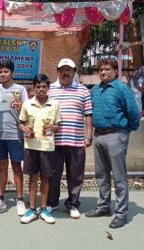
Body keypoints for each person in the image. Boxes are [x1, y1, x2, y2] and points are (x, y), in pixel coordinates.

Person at [86, 58, 140, 229]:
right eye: (100, 70)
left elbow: (133, 113)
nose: (103, 72)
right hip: (99, 135)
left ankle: (121, 214)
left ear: (116, 71)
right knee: (101, 175)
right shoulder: (95, 90)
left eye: (107, 69)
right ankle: (103, 207)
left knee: (119, 176)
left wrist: (125, 131)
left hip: (116, 135)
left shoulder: (122, 89)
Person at [47, 58, 93, 219]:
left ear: (74, 72)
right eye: (62, 70)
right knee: (53, 174)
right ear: (57, 72)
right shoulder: (49, 89)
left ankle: (73, 204)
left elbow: (88, 114)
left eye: (69, 70)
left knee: (75, 175)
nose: (65, 73)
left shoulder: (83, 90)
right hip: (53, 142)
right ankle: (52, 202)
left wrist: (89, 136)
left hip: (75, 141)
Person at [0, 60, 28, 216]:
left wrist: (21, 106)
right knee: (1, 167)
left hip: (16, 134)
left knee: (17, 167)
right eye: (0, 72)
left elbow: (27, 110)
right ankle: (1, 200)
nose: (2, 74)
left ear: (12, 73)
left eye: (6, 72)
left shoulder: (20, 89)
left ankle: (20, 200)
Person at [19, 74, 60, 224]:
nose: (41, 89)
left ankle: (43, 209)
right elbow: (21, 123)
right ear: (34, 88)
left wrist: (52, 127)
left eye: (44, 86)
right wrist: (24, 129)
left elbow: (58, 126)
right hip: (30, 146)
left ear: (48, 88)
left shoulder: (54, 104)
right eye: (38, 86)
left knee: (45, 178)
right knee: (32, 178)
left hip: (47, 147)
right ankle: (31, 209)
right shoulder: (27, 104)